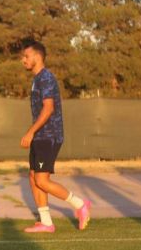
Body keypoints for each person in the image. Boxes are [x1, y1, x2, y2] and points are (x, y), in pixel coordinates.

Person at [20, 41, 91, 232]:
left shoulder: (46, 78)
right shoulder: (37, 79)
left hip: (49, 135)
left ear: (37, 57)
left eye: (26, 56)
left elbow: (49, 108)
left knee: (42, 180)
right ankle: (46, 222)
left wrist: (30, 132)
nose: (23, 60)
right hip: (40, 136)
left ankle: (80, 205)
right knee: (33, 176)